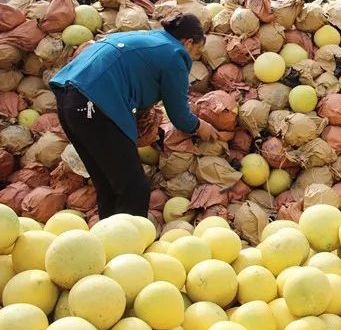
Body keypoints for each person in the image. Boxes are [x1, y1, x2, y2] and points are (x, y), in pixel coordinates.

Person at [50, 12, 219, 219]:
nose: (194, 57)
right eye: (197, 51)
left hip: (69, 100)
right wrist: (200, 126)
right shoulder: (174, 54)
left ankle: (109, 244)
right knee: (134, 188)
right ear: (188, 42)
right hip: (94, 103)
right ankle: (130, 245)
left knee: (109, 185)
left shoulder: (149, 39)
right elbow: (179, 115)